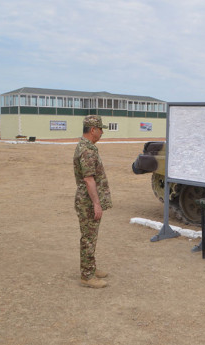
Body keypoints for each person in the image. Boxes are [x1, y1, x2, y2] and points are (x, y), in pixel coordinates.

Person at [73, 115, 112, 288]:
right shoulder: (87, 150)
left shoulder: (88, 147)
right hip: (88, 201)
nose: (102, 132)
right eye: (101, 129)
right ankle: (87, 276)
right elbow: (89, 179)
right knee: (88, 237)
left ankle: (91, 267)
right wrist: (96, 203)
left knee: (91, 236)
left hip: (89, 200)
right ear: (93, 130)